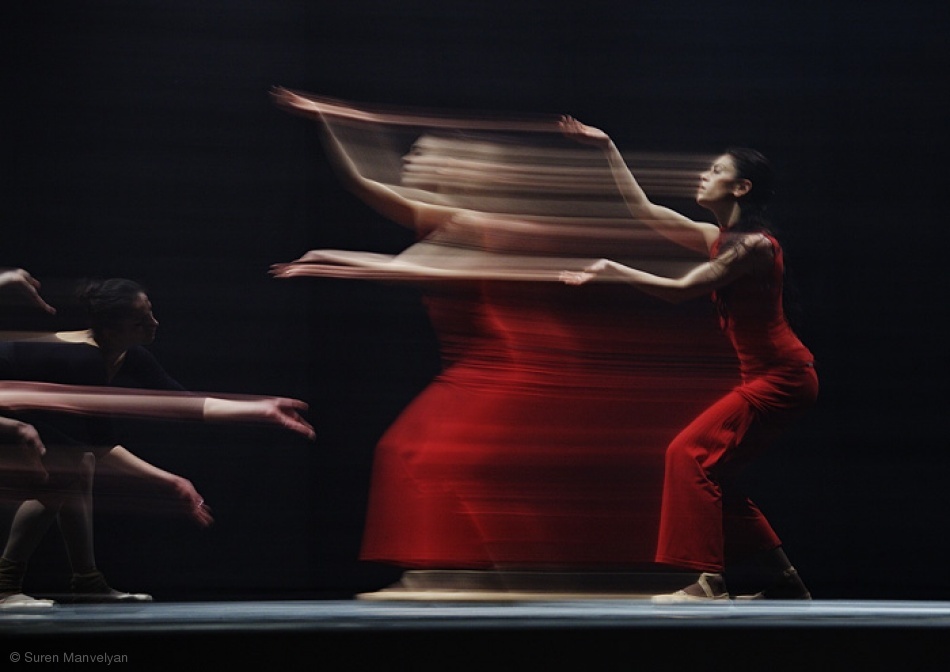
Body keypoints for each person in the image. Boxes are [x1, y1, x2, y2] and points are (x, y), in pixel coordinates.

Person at [559, 117, 818, 602]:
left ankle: (709, 582)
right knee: (713, 475)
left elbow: (680, 290)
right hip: (771, 376)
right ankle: (787, 584)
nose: (704, 175)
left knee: (686, 455)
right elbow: (644, 211)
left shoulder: (755, 247)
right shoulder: (718, 238)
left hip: (782, 378)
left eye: (716, 170)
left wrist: (613, 268)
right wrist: (607, 146)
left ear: (741, 187)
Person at [0, 278, 314, 608]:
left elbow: (182, 403)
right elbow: (103, 447)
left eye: (150, 313)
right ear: (111, 330)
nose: (153, 323)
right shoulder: (83, 360)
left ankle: (87, 583)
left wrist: (261, 409)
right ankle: (5, 586)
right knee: (68, 469)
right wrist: (171, 482)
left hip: (15, 402)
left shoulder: (127, 354)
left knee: (79, 465)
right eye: (139, 321)